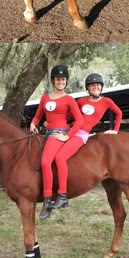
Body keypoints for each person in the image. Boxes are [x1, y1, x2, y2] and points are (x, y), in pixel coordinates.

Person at [48, 73, 122, 211]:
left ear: (101, 87)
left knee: (60, 157)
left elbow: (119, 113)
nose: (96, 87)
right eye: (93, 85)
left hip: (80, 134)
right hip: (69, 130)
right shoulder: (81, 101)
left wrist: (115, 130)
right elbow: (69, 115)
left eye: (98, 85)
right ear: (88, 88)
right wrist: (53, 121)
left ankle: (62, 196)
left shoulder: (107, 101)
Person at [29, 64, 83, 219]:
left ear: (66, 81)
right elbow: (38, 115)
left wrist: (67, 136)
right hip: (46, 134)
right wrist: (33, 123)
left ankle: (51, 200)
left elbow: (79, 121)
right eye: (58, 79)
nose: (61, 81)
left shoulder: (69, 99)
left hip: (58, 134)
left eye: (63, 79)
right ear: (53, 81)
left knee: (45, 162)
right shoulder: (45, 97)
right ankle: (50, 198)